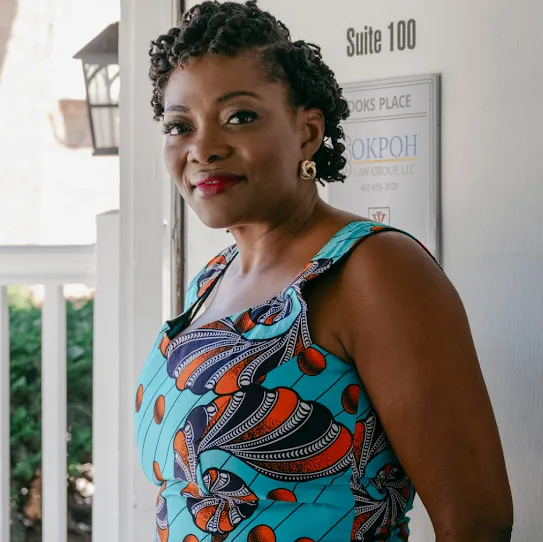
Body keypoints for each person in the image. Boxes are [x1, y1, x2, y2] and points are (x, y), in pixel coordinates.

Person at [134, 2, 513, 540]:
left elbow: (478, 524)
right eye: (179, 125)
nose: (203, 149)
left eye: (239, 116)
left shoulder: (374, 270)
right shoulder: (212, 280)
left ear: (308, 133)